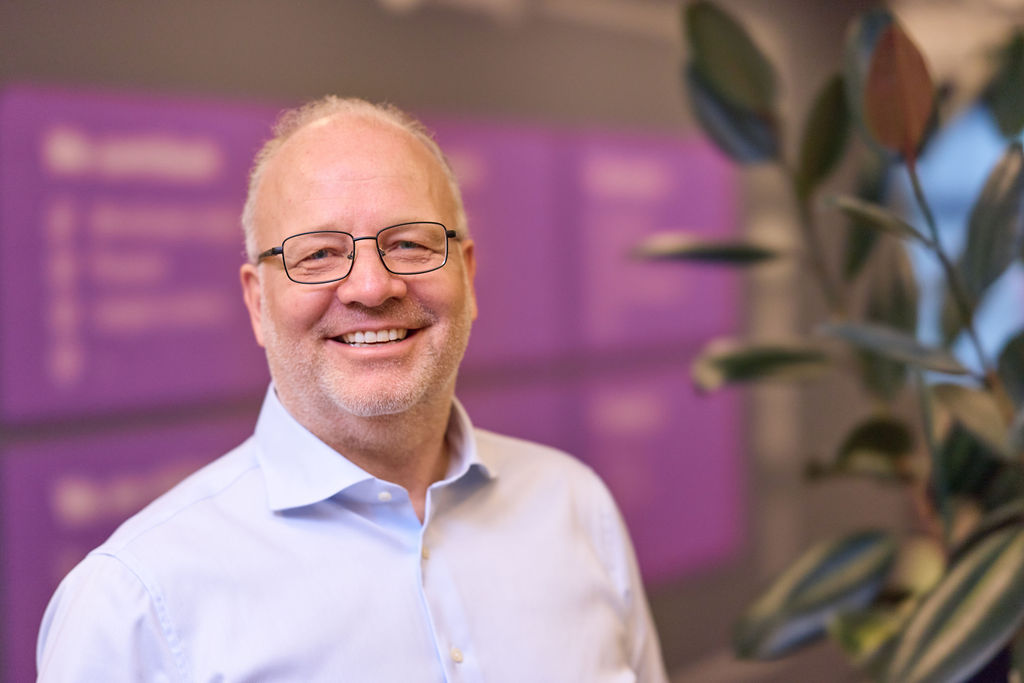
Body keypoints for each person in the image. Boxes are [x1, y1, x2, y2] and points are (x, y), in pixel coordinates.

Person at [36, 96, 668, 682]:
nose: (371, 287)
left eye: (410, 244)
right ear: (258, 303)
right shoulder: (135, 605)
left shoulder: (577, 509)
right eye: (318, 255)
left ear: (468, 278)